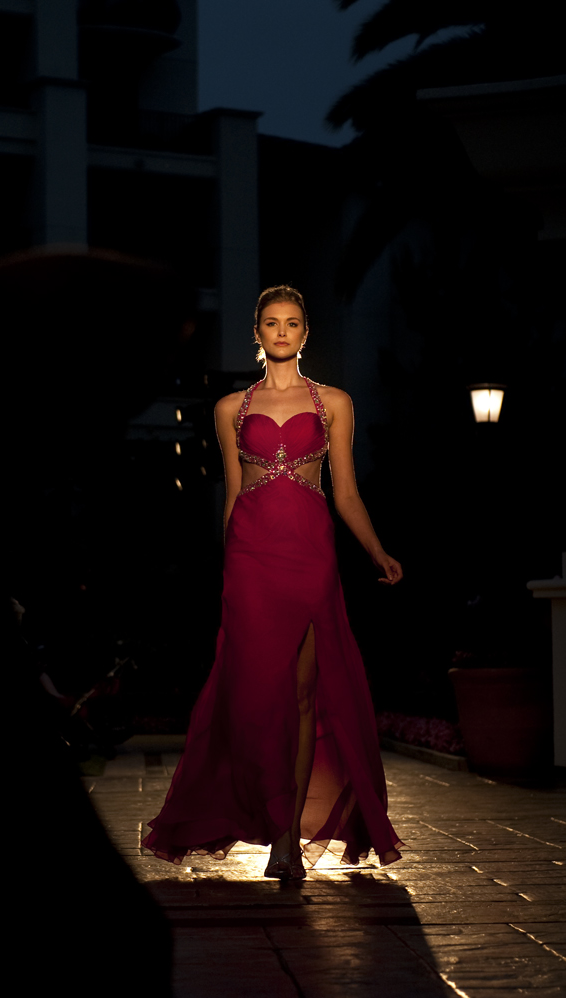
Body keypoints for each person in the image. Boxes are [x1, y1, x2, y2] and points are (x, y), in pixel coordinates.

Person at [143, 285, 404, 879]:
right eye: (270, 323)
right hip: (252, 560)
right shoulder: (231, 408)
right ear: (258, 335)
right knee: (254, 697)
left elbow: (345, 493)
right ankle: (260, 812)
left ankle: (285, 841)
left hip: (311, 555)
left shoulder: (334, 402)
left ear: (304, 333)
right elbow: (232, 497)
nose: (281, 331)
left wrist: (377, 551)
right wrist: (227, 569)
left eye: (291, 323)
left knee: (304, 695)